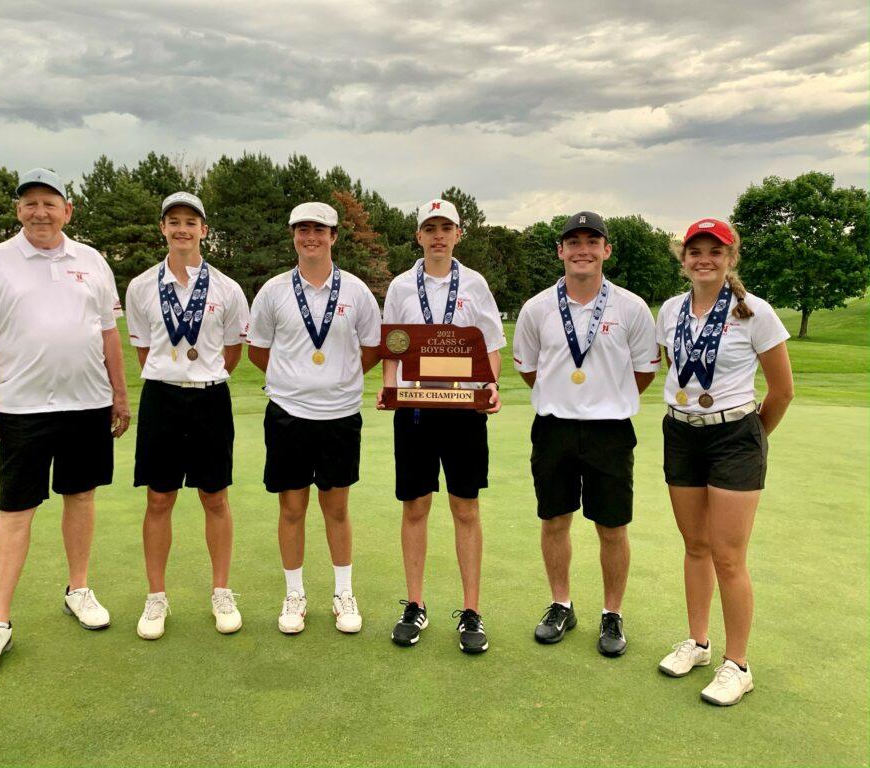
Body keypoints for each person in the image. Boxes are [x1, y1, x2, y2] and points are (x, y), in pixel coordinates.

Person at [0, 168, 130, 678]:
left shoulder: (92, 260)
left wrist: (119, 395)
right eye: (29, 203)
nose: (40, 212)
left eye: (49, 203)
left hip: (87, 404)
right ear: (18, 212)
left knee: (81, 496)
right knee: (16, 509)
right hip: (22, 409)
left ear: (67, 210)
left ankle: (79, 589)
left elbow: (108, 334)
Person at [654, 218, 793, 706]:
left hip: (736, 437)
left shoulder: (755, 312)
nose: (704, 259)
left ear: (731, 258)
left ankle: (738, 665)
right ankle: (698, 642)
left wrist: (750, 439)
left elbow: (781, 391)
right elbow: (680, 370)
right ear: (683, 258)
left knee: (728, 555)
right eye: (695, 251)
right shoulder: (670, 310)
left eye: (715, 251)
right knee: (695, 545)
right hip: (681, 432)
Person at [513, 211, 659, 657]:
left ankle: (611, 613)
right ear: (560, 251)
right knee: (554, 521)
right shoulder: (537, 308)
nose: (582, 250)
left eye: (591, 242)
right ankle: (561, 603)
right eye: (572, 242)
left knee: (612, 527)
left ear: (606, 250)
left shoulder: (631, 308)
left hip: (610, 432)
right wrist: (568, 399)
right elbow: (528, 369)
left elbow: (644, 372)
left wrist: (605, 400)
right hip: (554, 428)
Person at [247, 202, 381, 635]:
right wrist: (295, 381)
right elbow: (258, 350)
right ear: (293, 236)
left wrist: (338, 379)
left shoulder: (357, 291)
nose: (311, 237)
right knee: (291, 507)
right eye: (303, 229)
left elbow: (374, 347)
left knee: (337, 507)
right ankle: (295, 594)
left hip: (340, 415)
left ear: (334, 237)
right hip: (288, 414)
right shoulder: (273, 291)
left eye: (319, 230)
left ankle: (343, 592)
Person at [377, 198, 504, 654]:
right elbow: (392, 344)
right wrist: (389, 387)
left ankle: (471, 610)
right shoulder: (400, 286)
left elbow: (490, 343)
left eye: (445, 227)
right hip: (414, 409)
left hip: (463, 408)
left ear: (457, 234)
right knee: (415, 507)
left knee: (465, 508)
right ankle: (415, 604)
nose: (437, 235)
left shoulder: (474, 284)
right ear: (418, 236)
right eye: (429, 228)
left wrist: (492, 386)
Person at [124, 192, 250, 640]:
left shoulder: (227, 288)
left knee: (214, 497)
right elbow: (144, 350)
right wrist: (176, 375)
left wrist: (203, 376)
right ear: (163, 228)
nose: (182, 229)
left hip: (211, 399)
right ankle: (156, 597)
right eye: (173, 221)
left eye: (190, 222)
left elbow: (232, 352)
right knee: (159, 498)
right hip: (161, 398)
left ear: (204, 230)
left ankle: (221, 590)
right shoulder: (141, 286)